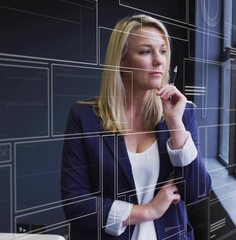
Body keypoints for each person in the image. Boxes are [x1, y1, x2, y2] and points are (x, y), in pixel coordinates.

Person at [60, 14, 211, 240]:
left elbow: (198, 192)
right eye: (145, 51)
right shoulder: (84, 117)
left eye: (162, 51)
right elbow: (75, 203)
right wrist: (148, 211)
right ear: (121, 60)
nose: (159, 60)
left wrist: (175, 125)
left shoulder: (182, 113)